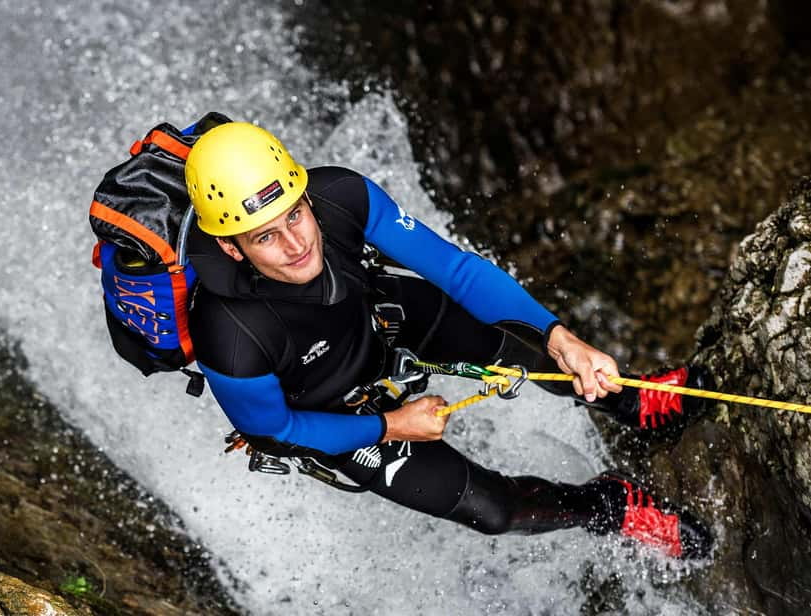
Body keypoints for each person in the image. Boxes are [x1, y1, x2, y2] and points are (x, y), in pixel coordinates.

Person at [182, 121, 714, 559]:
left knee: (517, 342)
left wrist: (560, 338)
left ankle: (632, 399)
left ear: (303, 194)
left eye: (294, 214)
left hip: (387, 320)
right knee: (495, 512)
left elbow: (457, 272)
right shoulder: (227, 334)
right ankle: (610, 505)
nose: (297, 244)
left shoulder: (342, 196)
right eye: (266, 236)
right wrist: (392, 425)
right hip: (340, 414)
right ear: (231, 248)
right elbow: (278, 432)